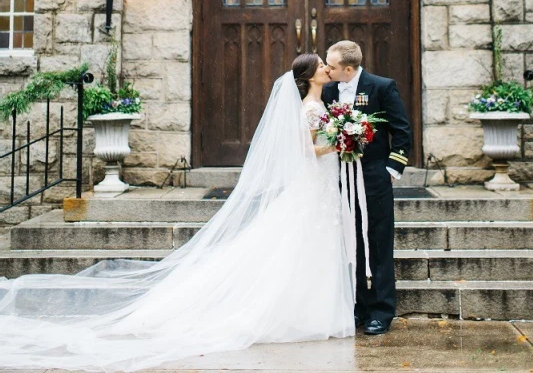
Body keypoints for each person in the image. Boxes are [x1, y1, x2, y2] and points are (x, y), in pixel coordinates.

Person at [0, 59, 354, 372]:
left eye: (327, 63)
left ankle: (314, 312)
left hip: (320, 187)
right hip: (312, 185)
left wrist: (340, 137)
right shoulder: (309, 107)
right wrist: (338, 143)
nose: (327, 67)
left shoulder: (320, 104)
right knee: (300, 243)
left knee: (309, 247)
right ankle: (300, 314)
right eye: (322, 64)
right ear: (309, 75)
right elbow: (306, 150)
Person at [324, 40, 412, 336]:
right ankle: (359, 306)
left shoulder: (382, 87)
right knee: (351, 240)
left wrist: (391, 170)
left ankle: (382, 310)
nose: (326, 69)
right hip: (341, 177)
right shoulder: (328, 90)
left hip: (374, 176)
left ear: (348, 69)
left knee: (378, 239)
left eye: (331, 66)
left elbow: (401, 130)